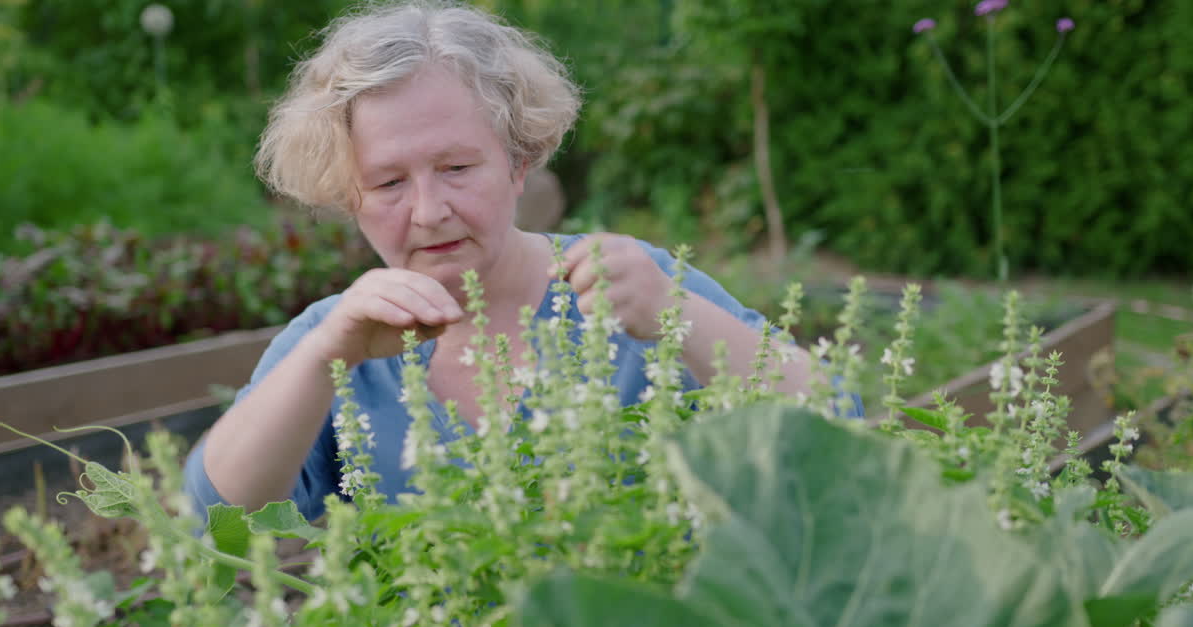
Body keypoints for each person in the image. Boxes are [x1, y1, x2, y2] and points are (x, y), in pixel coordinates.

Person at [184, 0, 843, 522]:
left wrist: (680, 317)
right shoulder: (340, 338)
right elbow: (217, 516)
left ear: (519, 160)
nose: (428, 210)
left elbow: (837, 423)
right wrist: (327, 355)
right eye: (388, 183)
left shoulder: (629, 286)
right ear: (346, 194)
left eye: (457, 167)